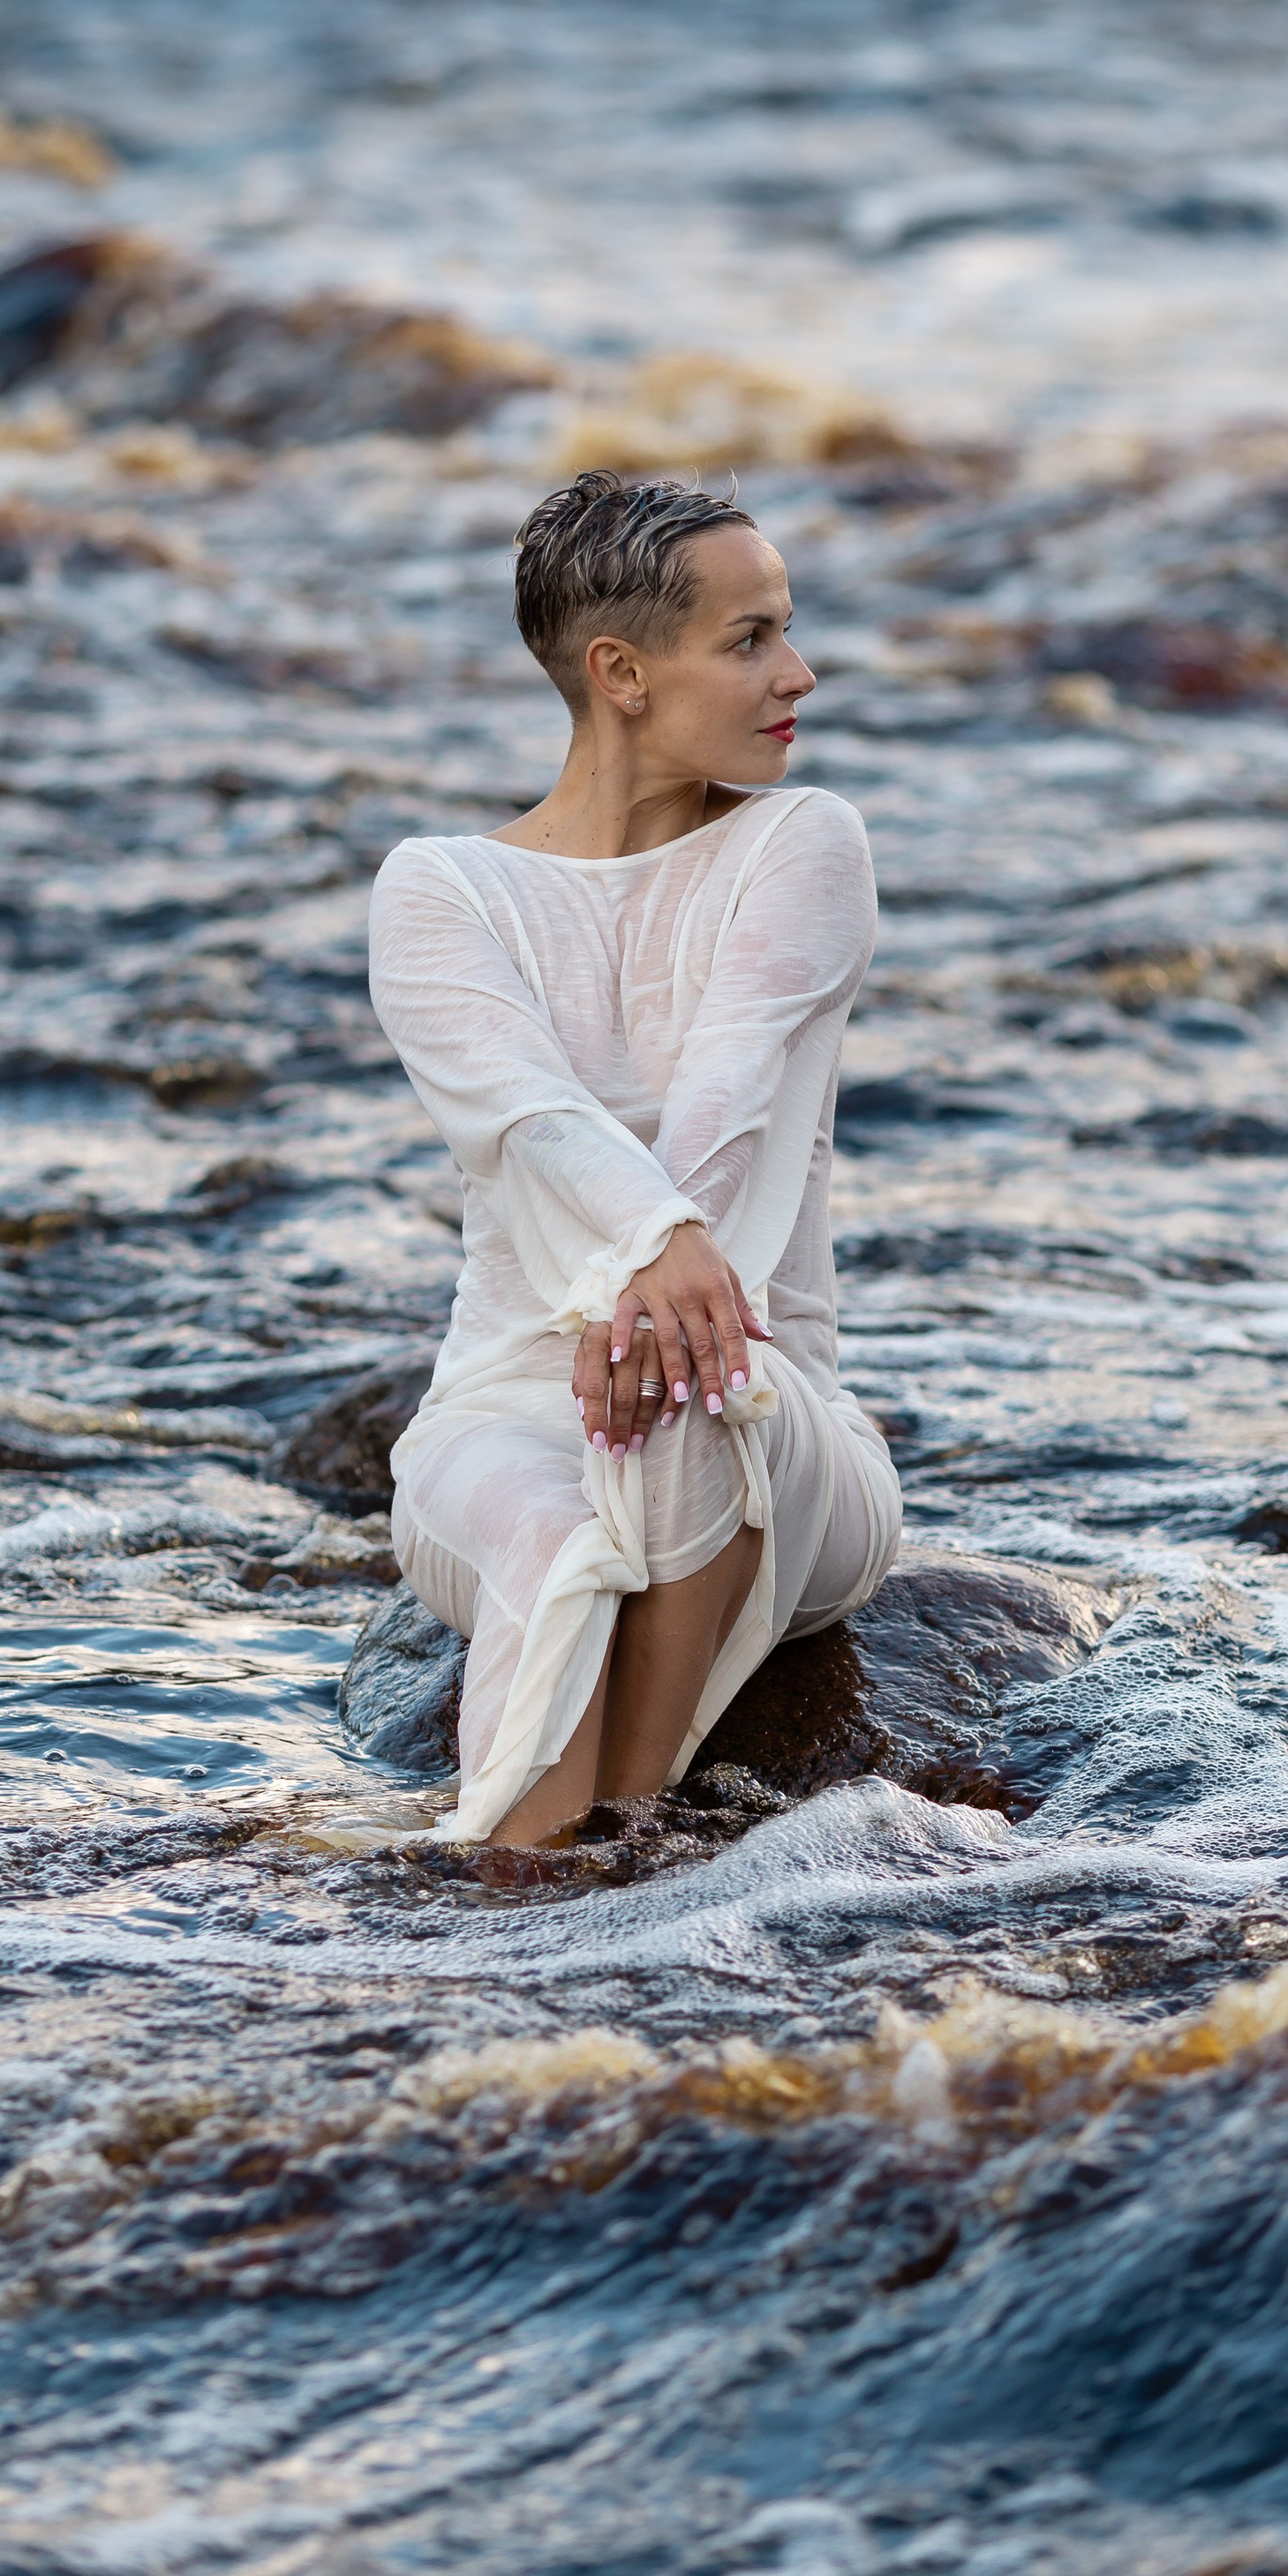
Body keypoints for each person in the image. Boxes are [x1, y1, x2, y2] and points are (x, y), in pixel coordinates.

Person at [367, 468, 901, 1847]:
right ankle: (515, 1885)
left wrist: (664, 1279)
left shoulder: (802, 840)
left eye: (786, 631)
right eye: (749, 640)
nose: (798, 673)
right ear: (620, 672)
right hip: (504, 1414)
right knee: (553, 1545)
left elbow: (732, 1092)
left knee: (699, 1391)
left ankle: (629, 1827)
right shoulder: (442, 885)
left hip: (778, 1424)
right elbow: (526, 1112)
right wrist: (651, 1253)